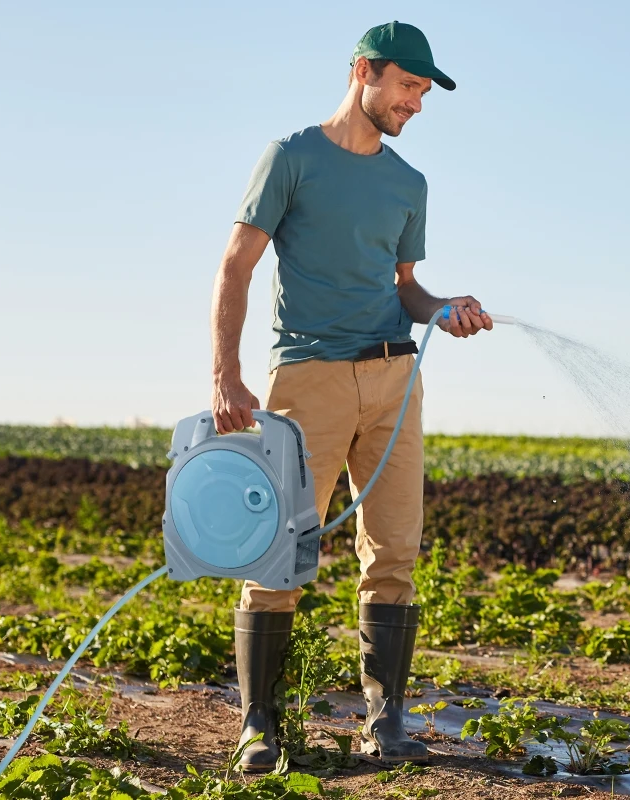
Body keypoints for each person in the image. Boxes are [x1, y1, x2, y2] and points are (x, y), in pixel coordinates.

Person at [209, 20, 493, 772]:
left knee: (394, 551)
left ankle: (385, 721)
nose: (416, 104)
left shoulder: (408, 184)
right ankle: (259, 726)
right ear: (364, 71)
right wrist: (225, 375)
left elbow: (405, 289)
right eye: (407, 86)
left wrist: (444, 309)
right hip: (308, 378)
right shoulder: (291, 157)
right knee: (279, 553)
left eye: (424, 93)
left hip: (396, 380)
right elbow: (235, 267)